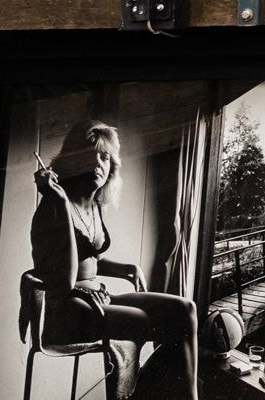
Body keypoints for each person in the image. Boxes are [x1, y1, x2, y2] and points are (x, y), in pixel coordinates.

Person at [29, 121, 199, 398]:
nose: (98, 163)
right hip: (64, 311)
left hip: (97, 299)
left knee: (185, 310)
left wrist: (124, 268)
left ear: (112, 166)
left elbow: (90, 257)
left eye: (105, 157)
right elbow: (67, 278)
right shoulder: (54, 206)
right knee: (144, 321)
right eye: (90, 155)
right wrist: (59, 202)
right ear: (73, 161)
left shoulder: (93, 205)